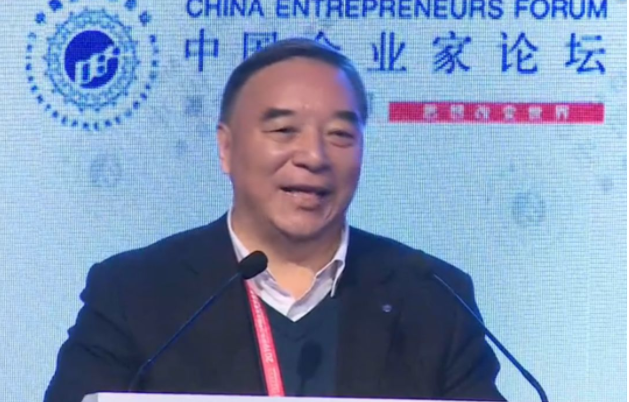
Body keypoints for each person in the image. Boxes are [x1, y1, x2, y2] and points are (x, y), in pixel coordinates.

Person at [44, 38, 505, 402]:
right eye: (284, 130)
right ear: (226, 147)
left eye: (340, 135)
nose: (313, 156)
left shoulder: (434, 297)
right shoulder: (134, 291)